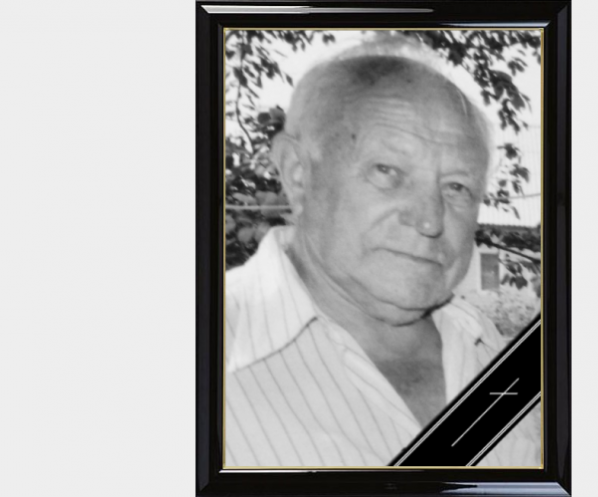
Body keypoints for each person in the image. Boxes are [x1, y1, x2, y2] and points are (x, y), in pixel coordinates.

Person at [224, 39, 540, 467]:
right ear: (298, 175)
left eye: (457, 187)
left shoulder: (501, 355)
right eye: (387, 171)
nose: (430, 220)